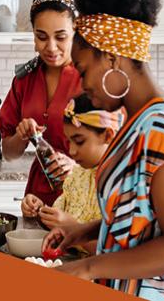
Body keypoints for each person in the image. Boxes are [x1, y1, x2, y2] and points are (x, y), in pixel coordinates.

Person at [42, 0, 164, 301]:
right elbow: (145, 217)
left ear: (112, 57)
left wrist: (88, 267)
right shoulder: (144, 119)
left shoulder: (160, 129)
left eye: (83, 70)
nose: (83, 85)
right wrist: (87, 230)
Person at [0, 0, 83, 214]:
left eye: (61, 37)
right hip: (38, 199)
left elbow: (114, 149)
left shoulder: (90, 79)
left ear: (77, 32)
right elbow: (9, 153)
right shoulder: (24, 80)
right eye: (41, 36)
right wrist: (21, 135)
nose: (51, 47)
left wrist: (76, 169)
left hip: (84, 197)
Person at [38, 94, 123, 236]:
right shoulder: (77, 176)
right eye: (69, 141)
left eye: (79, 141)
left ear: (108, 135)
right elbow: (58, 220)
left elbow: (119, 252)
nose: (71, 151)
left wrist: (74, 229)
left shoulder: (123, 183)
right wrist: (40, 210)